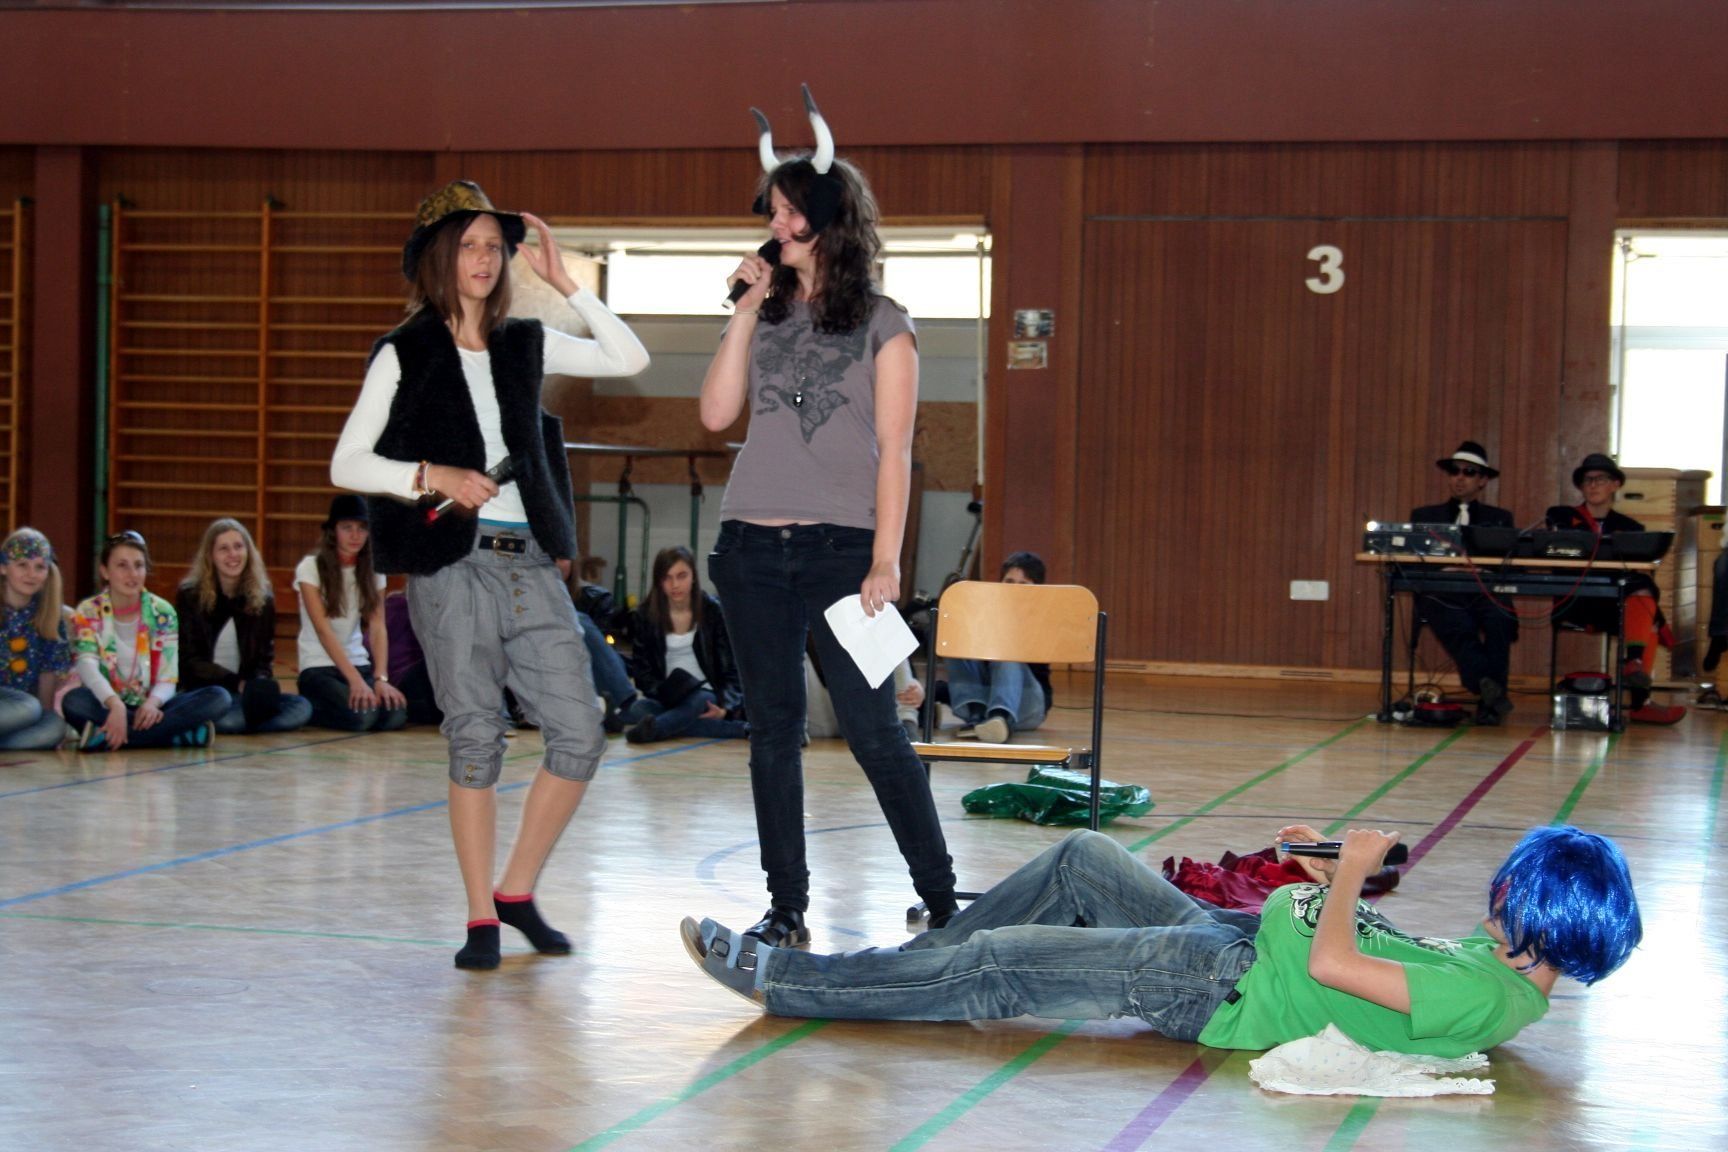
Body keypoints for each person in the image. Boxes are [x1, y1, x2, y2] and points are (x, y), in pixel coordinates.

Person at [330, 179, 649, 970]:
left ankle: (517, 890)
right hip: (451, 568)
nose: (484, 259)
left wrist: (566, 282)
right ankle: (480, 915)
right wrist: (430, 475)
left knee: (579, 730)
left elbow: (628, 357)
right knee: (475, 737)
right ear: (438, 256)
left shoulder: (524, 340)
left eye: (494, 247)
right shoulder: (405, 350)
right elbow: (348, 462)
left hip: (530, 564)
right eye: (468, 245)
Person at [682, 823, 1641, 1059]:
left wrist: (1350, 875)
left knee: (999, 965)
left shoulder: (1488, 997)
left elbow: (1334, 966)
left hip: (1219, 985)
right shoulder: (1497, 963)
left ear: (1544, 919)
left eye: (1513, 893)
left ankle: (791, 982)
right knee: (1082, 857)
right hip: (1237, 942)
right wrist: (1321, 876)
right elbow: (1359, 955)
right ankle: (898, 975)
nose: (1495, 895)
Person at [699, 91, 959, 945]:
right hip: (749, 549)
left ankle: (942, 897)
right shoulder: (763, 312)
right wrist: (743, 310)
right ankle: (787, 907)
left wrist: (886, 559)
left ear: (827, 219)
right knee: (772, 734)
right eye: (770, 211)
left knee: (874, 729)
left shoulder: (886, 324)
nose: (774, 223)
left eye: (787, 210)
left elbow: (896, 452)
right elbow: (716, 415)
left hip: (842, 553)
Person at [63, 531, 230, 751]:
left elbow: (168, 676)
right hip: (106, 704)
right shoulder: (88, 611)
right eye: (122, 565)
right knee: (74, 701)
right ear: (105, 571)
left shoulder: (162, 612)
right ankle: (173, 736)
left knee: (219, 697)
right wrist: (115, 705)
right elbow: (87, 665)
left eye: (138, 565)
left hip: (154, 706)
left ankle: (109, 737)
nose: (132, 574)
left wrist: (153, 703)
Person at [1545, 453, 1673, 709]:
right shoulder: (1561, 517)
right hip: (1576, 601)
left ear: (1615, 484)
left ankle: (1635, 670)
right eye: (1588, 480)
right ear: (1581, 486)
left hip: (1614, 604)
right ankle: (1640, 697)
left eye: (1601, 479)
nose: (1593, 485)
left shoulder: (1631, 528)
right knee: (1647, 609)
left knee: (1642, 596)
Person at [1410, 441, 1519, 724]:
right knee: (1453, 620)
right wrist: (1442, 567)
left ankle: (1488, 695)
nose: (1460, 478)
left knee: (1500, 617)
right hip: (1443, 591)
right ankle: (1489, 690)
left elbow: (1509, 561)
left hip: (1484, 590)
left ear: (1482, 480)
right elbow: (1412, 559)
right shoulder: (1425, 516)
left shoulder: (1500, 518)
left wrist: (1483, 568)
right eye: (1455, 471)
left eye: (1469, 472)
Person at [176, 518, 313, 735]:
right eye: (224, 549)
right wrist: (236, 683)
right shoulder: (191, 596)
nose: (233, 554)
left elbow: (264, 661)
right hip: (206, 691)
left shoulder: (262, 599)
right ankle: (247, 722)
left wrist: (259, 685)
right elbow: (190, 662)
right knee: (230, 717)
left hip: (243, 694)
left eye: (238, 547)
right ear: (211, 556)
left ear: (248, 551)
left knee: (302, 708)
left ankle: (238, 721)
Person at [294, 496, 408, 733]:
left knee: (395, 714)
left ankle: (348, 700)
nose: (355, 535)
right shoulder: (310, 567)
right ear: (333, 531)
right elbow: (323, 631)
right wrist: (355, 681)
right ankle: (311, 707)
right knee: (363, 717)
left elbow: (378, 627)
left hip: (358, 663)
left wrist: (381, 678)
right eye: (347, 528)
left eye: (362, 528)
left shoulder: (373, 569)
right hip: (319, 667)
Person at [623, 546, 747, 744]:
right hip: (668, 697)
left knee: (698, 700)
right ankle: (740, 730)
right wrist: (666, 694)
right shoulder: (644, 616)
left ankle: (656, 728)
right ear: (658, 581)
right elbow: (642, 674)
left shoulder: (713, 612)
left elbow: (731, 670)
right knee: (639, 708)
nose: (675, 585)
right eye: (667, 578)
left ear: (693, 576)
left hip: (707, 694)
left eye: (681, 576)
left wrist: (725, 708)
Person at [944, 551, 1054, 743]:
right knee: (955, 641)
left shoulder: (1042, 618)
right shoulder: (986, 610)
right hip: (983, 698)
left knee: (1005, 651)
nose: (1014, 589)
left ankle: (1001, 718)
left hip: (1026, 705)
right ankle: (976, 715)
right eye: (1009, 582)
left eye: (1023, 584)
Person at [0, 528, 75, 750]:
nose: (31, 574)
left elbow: (47, 675)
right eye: (22, 565)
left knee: (54, 726)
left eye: (39, 567)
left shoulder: (49, 616)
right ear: (3, 567)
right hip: (15, 705)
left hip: (21, 712)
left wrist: (42, 716)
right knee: (29, 707)